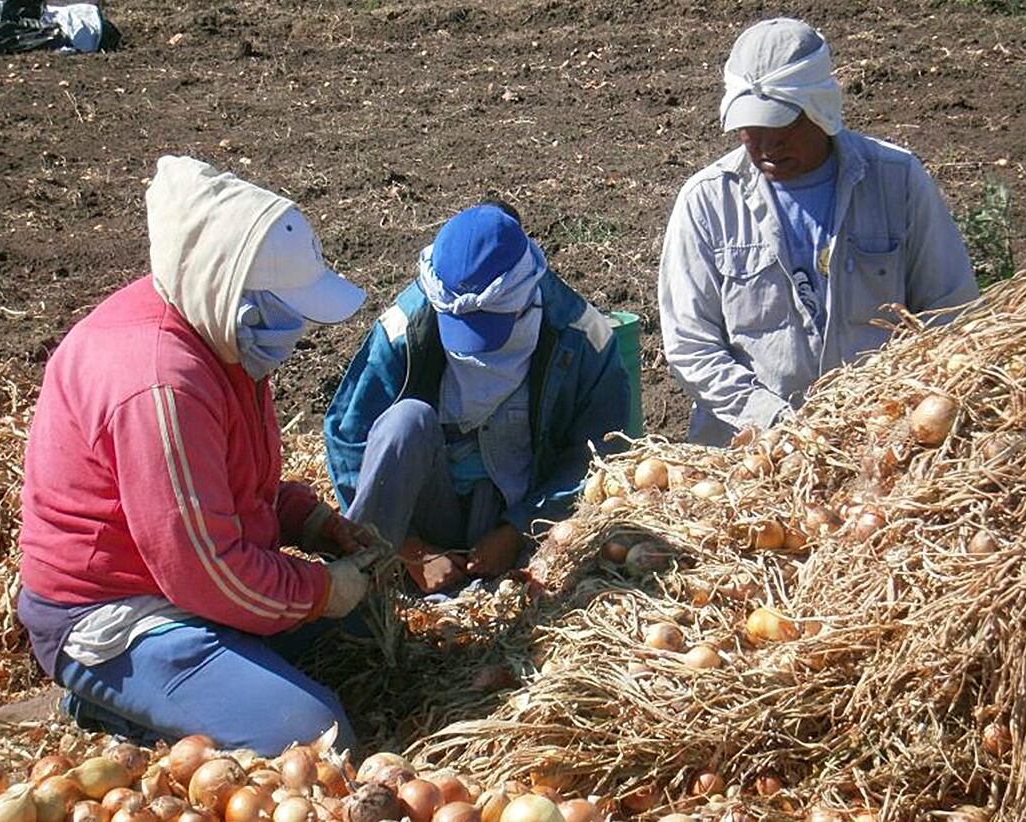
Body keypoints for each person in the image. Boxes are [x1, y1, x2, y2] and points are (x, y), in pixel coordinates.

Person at [16, 155, 384, 756]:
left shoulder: (219, 335)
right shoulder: (160, 382)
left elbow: (228, 485)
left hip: (183, 585)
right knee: (317, 738)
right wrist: (319, 591)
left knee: (362, 627)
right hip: (120, 614)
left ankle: (201, 690)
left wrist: (311, 521)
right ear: (231, 292)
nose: (297, 328)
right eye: (289, 309)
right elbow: (204, 570)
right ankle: (103, 701)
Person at [658, 17, 979, 446]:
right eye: (751, 129)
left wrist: (899, 409)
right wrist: (775, 421)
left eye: (781, 127)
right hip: (748, 453)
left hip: (881, 442)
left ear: (821, 110)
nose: (766, 146)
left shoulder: (896, 180)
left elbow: (950, 311)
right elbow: (690, 345)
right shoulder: (708, 200)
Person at [324, 203, 630, 595]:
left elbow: (597, 452)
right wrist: (412, 551)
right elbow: (349, 436)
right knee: (406, 421)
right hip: (430, 508)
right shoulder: (405, 328)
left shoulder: (579, 334)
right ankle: (372, 582)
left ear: (522, 294)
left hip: (524, 510)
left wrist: (518, 529)